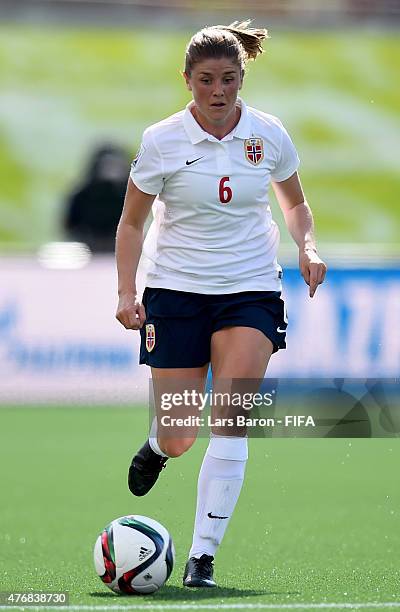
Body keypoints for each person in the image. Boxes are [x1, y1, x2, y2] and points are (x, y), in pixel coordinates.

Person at [115, 20, 327, 588]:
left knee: (230, 418)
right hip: (177, 291)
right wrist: (125, 293)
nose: (218, 91)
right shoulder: (162, 139)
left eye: (229, 79)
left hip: (250, 289)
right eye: (206, 80)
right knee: (183, 431)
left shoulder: (269, 133)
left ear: (242, 78)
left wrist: (306, 245)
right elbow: (132, 222)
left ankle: (202, 556)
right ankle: (161, 445)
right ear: (186, 81)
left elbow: (295, 205)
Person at [64, 144, 130, 252]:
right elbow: (71, 226)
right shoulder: (82, 196)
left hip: (120, 246)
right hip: (87, 247)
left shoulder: (128, 196)